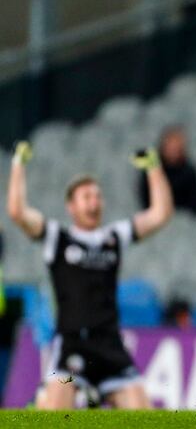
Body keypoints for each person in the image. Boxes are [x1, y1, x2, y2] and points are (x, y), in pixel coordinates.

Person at [5, 141, 173, 409]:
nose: (94, 203)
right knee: (54, 419)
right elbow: (17, 212)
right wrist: (17, 165)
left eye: (97, 196)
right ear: (71, 206)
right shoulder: (56, 237)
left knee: (146, 418)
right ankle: (44, 397)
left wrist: (154, 168)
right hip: (73, 342)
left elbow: (161, 214)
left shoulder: (114, 236)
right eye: (86, 197)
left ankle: (68, 397)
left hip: (110, 344)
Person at [138, 125, 196, 215]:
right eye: (171, 147)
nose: (174, 151)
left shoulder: (190, 172)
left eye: (177, 147)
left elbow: (194, 204)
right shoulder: (152, 171)